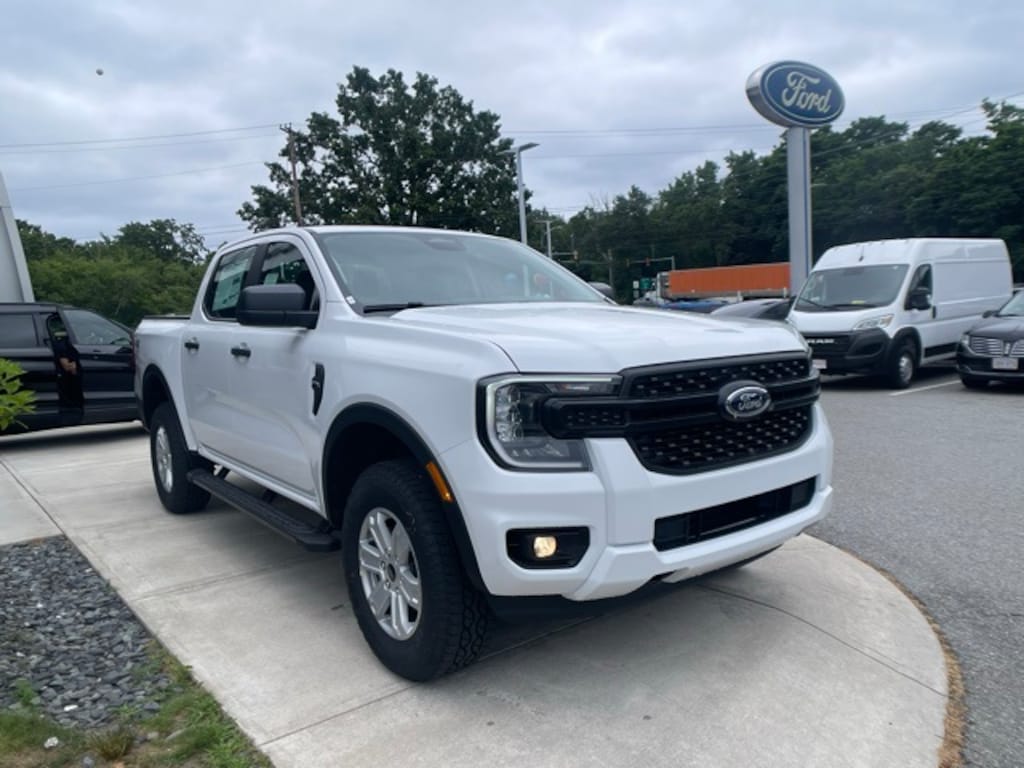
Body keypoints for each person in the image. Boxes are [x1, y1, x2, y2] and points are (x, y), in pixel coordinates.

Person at [47, 315, 84, 411]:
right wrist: (74, 367)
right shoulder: (62, 344)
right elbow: (67, 367)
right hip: (68, 394)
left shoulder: (65, 343)